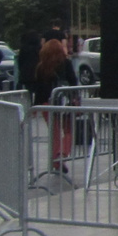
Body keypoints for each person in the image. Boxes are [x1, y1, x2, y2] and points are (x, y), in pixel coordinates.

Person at [30, 38, 77, 167]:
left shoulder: (41, 67)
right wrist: (75, 99)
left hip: (47, 104)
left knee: (54, 133)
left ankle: (55, 162)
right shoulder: (66, 64)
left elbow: (38, 89)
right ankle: (62, 153)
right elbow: (73, 81)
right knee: (69, 131)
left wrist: (35, 106)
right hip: (65, 103)